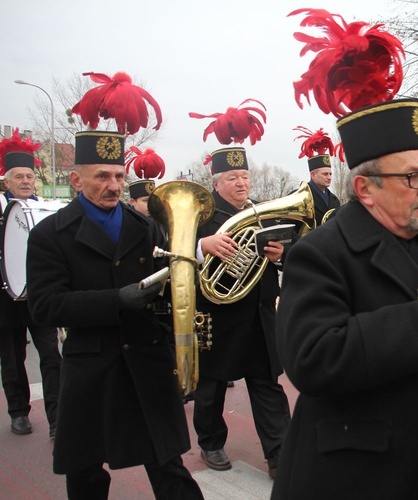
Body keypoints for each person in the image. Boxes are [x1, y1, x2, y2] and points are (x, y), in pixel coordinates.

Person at [272, 9, 418, 499]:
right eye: (412, 177)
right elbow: (311, 359)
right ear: (364, 188)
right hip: (360, 471)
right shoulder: (320, 253)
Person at [25, 71, 203, 499]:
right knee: (87, 474)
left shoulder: (144, 226)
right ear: (76, 179)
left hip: (146, 358)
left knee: (170, 468)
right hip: (92, 369)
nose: (114, 186)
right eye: (102, 177)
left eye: (119, 177)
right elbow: (46, 307)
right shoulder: (49, 234)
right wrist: (117, 300)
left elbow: (169, 281)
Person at [193, 145, 291, 478]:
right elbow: (172, 251)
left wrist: (280, 255)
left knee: (267, 383)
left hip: (259, 313)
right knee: (212, 383)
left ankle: (280, 452)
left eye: (245, 176)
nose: (241, 183)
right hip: (220, 314)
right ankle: (210, 442)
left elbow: (283, 252)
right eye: (232, 177)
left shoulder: (261, 211)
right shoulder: (201, 214)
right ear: (217, 182)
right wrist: (202, 246)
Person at [0, 129, 62, 438]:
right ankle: (18, 411)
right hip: (5, 298)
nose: (26, 181)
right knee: (12, 358)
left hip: (40, 294)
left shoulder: (46, 209)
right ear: (6, 181)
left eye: (29, 176)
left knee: (51, 356)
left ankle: (56, 418)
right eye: (19, 177)